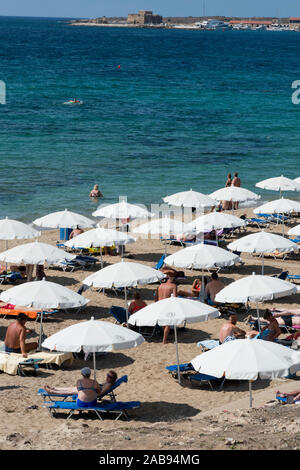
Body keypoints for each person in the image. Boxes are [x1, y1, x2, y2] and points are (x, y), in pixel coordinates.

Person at [44, 368, 118, 407]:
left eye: (110, 376)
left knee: (70, 391)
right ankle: (54, 388)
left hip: (91, 392)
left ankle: (53, 391)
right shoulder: (107, 382)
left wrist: (92, 389)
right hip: (91, 390)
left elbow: (100, 393)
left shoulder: (109, 384)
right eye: (107, 375)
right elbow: (99, 387)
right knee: (71, 388)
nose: (108, 377)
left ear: (113, 378)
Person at [155, 277, 177, 344]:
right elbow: (175, 298)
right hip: (167, 305)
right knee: (168, 323)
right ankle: (164, 340)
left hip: (159, 304)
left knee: (163, 322)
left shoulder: (160, 286)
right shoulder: (173, 286)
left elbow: (155, 297)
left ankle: (165, 336)